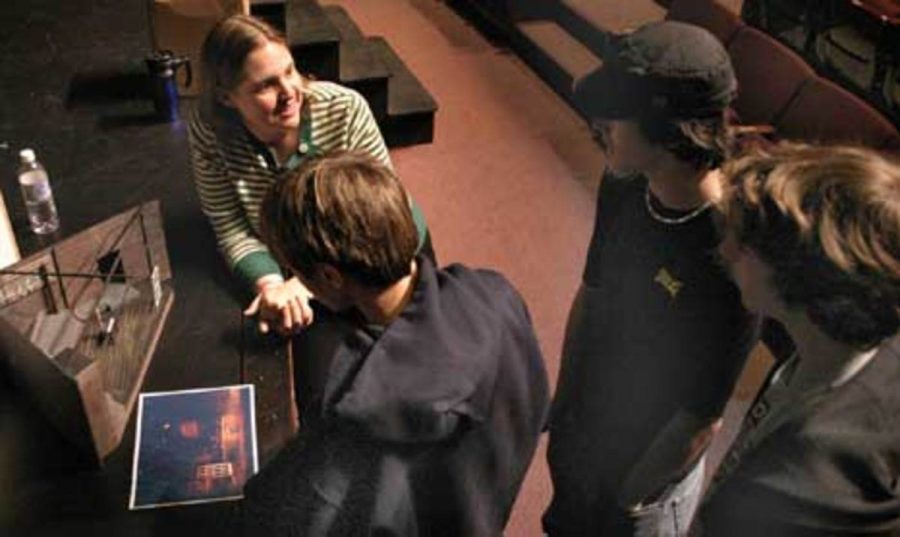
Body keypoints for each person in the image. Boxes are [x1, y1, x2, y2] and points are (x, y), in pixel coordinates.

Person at [240, 150, 550, 536]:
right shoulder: (495, 292)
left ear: (329, 277)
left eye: (297, 272)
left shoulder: (355, 407)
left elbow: (294, 515)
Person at [543, 21, 760, 536]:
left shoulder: (732, 250)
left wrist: (627, 502)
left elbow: (700, 417)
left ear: (670, 131)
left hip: (644, 473)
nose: (600, 125)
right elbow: (591, 294)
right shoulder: (622, 184)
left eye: (617, 115)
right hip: (586, 431)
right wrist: (566, 403)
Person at [694, 143, 900, 535]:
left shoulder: (796, 490)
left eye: (744, 244)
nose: (725, 250)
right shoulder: (848, 350)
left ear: (804, 280)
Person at [187, 14, 430, 335]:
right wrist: (272, 285)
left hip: (372, 261)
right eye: (265, 86)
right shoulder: (209, 132)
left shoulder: (344, 108)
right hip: (302, 274)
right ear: (225, 97)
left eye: (290, 71)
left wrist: (303, 286)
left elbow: (384, 216)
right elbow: (228, 223)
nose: (289, 91)